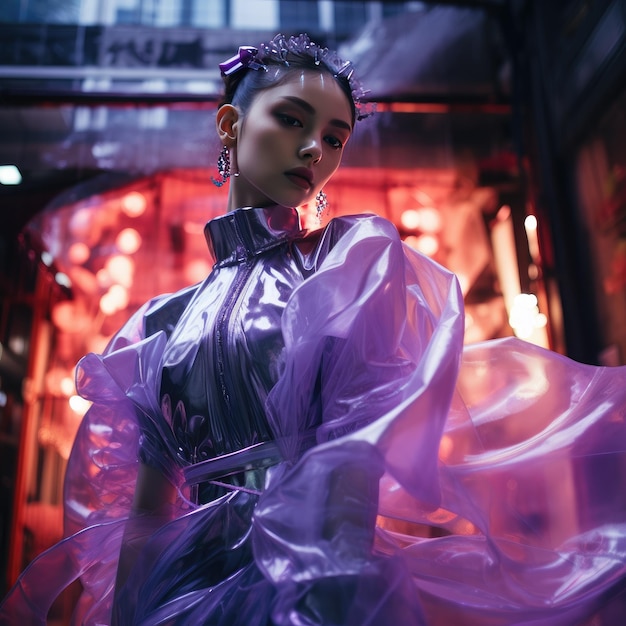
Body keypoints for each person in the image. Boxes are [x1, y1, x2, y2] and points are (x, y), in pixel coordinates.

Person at [2, 33, 626, 626]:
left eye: (334, 137)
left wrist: (318, 598)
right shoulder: (157, 324)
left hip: (310, 584)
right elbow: (146, 511)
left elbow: (351, 472)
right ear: (231, 124)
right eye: (293, 120)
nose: (314, 151)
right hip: (181, 592)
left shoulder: (348, 270)